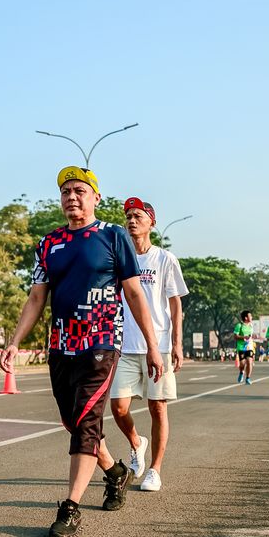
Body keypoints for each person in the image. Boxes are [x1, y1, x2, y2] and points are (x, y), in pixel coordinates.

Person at [0, 167, 163, 537]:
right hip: (61, 345)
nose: (71, 197)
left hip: (101, 343)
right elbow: (36, 297)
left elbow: (134, 293)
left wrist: (153, 346)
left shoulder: (113, 236)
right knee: (73, 421)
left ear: (96, 198)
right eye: (66, 191)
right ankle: (115, 473)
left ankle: (70, 508)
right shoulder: (49, 243)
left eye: (80, 190)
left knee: (87, 421)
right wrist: (15, 341)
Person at [110, 197, 188, 492]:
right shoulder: (121, 259)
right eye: (128, 216)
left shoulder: (165, 259)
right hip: (126, 345)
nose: (131, 221)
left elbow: (175, 305)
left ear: (151, 223)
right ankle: (136, 442)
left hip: (159, 345)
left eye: (138, 216)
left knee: (158, 408)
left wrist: (177, 344)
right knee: (118, 407)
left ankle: (154, 469)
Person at [233, 311, 255, 385]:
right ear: (246, 318)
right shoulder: (239, 325)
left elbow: (250, 336)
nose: (251, 317)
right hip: (241, 347)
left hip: (249, 346)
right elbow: (235, 336)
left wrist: (251, 338)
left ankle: (248, 378)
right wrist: (243, 337)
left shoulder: (251, 325)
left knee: (249, 362)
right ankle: (241, 372)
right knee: (242, 364)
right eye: (250, 316)